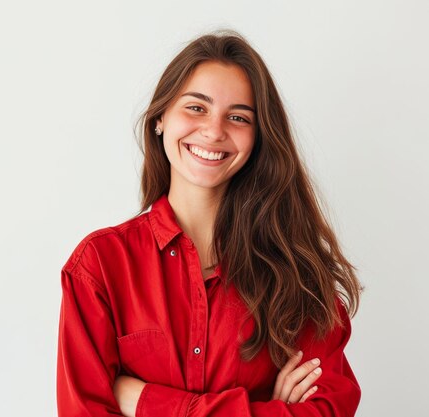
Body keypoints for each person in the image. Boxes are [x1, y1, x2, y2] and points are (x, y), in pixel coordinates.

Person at [56, 29, 363, 417]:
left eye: (237, 117)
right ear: (160, 119)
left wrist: (147, 401)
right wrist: (266, 410)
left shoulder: (297, 274)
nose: (215, 131)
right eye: (196, 108)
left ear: (257, 140)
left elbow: (328, 411)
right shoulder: (99, 266)